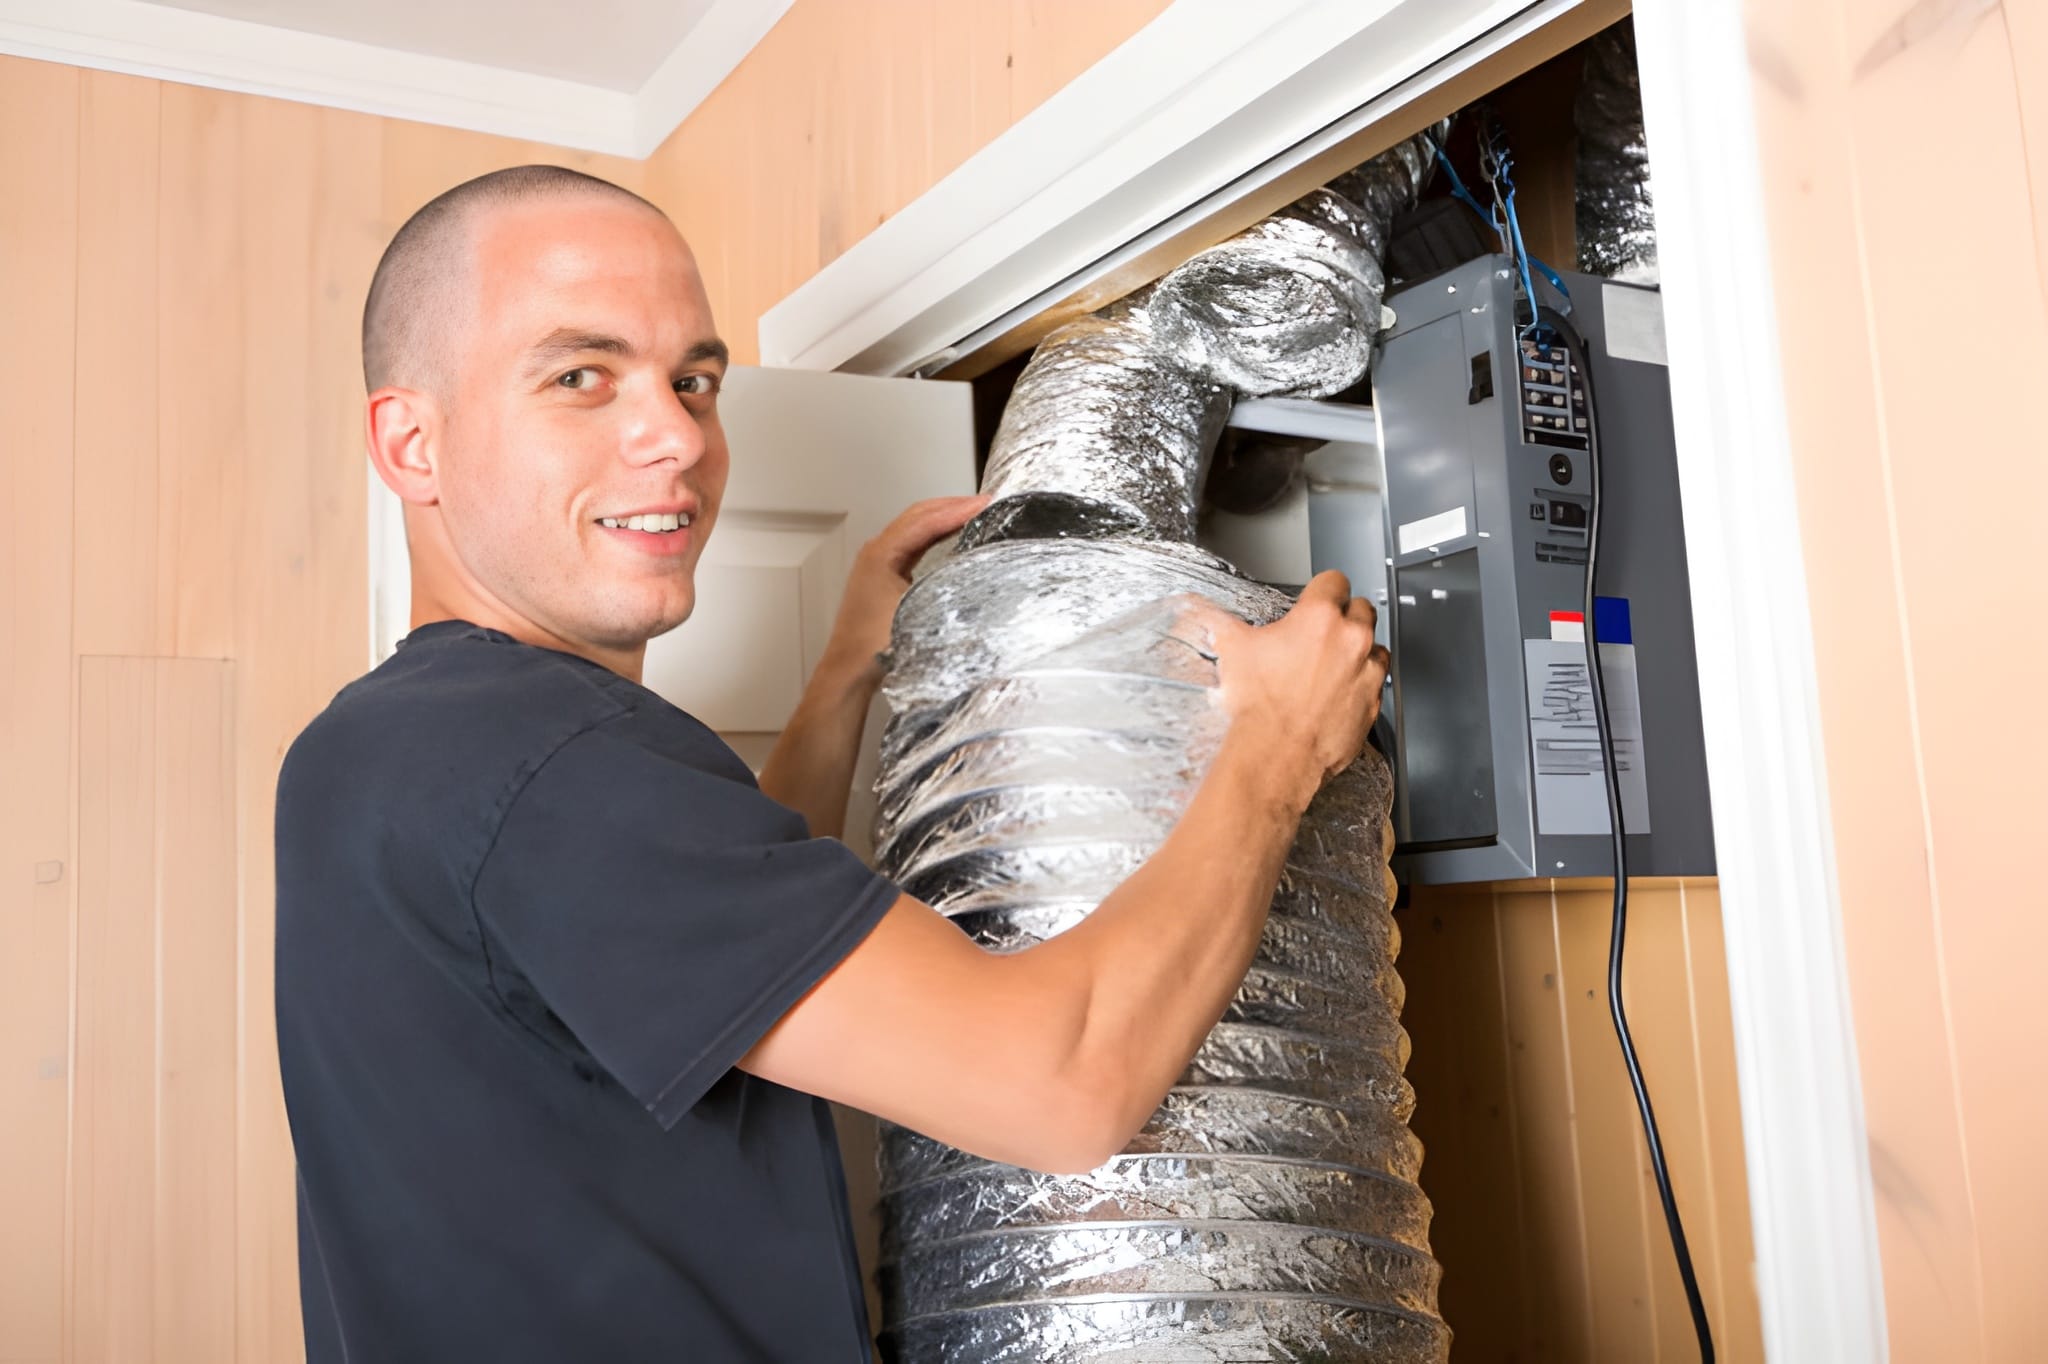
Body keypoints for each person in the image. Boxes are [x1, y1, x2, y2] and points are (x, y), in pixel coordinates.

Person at [274, 164, 1391, 1363]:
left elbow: (701, 956)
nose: (675, 436)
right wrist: (1276, 748)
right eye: (579, 376)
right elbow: (1060, 1083)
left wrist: (849, 673)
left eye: (691, 379)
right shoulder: (546, 760)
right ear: (411, 442)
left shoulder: (381, 749)